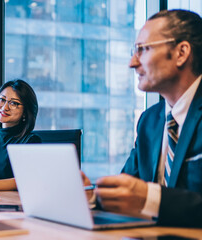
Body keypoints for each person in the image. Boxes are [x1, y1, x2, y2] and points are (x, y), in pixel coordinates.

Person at [84, 9, 202, 227]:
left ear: (181, 53)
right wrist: (93, 194)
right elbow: (129, 186)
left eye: (142, 49)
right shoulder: (150, 120)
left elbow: (144, 196)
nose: (132, 63)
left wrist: (150, 199)